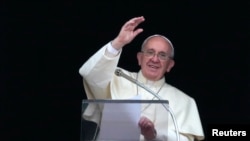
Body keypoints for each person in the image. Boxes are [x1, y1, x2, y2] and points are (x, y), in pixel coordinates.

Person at [79, 16, 205, 141]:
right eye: (150, 52)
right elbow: (91, 75)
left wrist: (154, 135)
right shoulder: (117, 78)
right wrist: (118, 43)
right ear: (139, 58)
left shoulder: (184, 101)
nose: (155, 59)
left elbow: (184, 139)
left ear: (170, 65)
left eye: (162, 55)